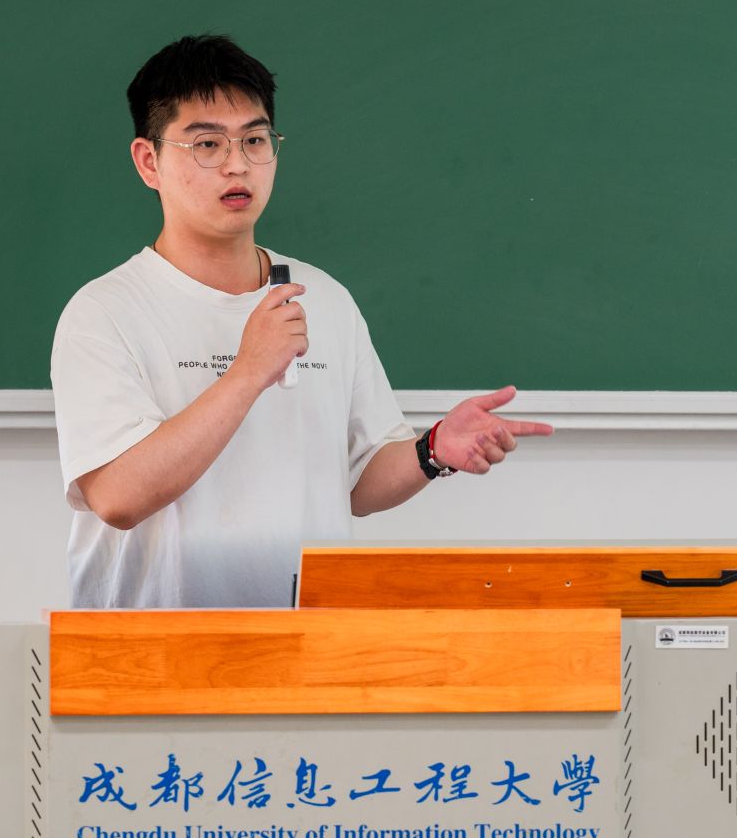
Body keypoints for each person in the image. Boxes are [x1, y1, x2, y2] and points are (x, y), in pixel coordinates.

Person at [51, 34, 550, 609]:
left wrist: (432, 449)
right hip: (155, 647)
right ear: (149, 162)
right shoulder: (105, 312)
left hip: (309, 641)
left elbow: (358, 482)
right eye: (207, 144)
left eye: (255, 140)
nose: (237, 164)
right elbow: (117, 496)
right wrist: (248, 371)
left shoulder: (325, 299)